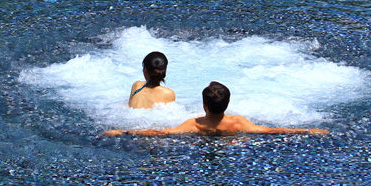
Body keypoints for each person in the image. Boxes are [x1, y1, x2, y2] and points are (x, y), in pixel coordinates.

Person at [104, 81, 328, 136]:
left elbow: (162, 133)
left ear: (204, 105)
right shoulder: (238, 123)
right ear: (228, 104)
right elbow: (272, 131)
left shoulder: (195, 124)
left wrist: (123, 132)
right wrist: (307, 131)